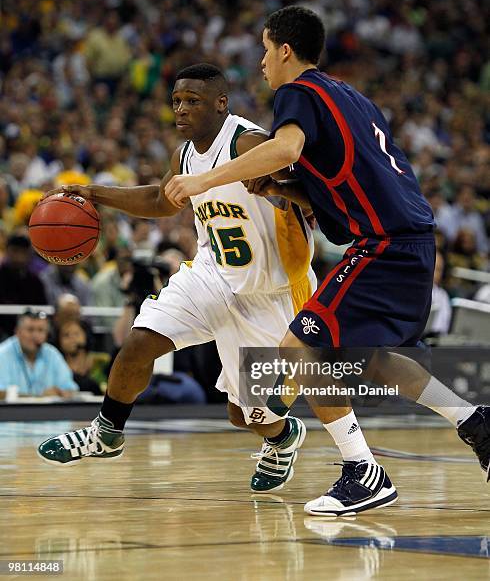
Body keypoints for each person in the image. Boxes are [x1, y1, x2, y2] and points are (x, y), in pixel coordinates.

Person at [164, 7, 490, 516]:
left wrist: (203, 179)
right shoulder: (351, 96)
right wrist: (283, 187)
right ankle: (475, 422)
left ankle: (364, 472)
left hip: (382, 244)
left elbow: (285, 145)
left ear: (286, 51)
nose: (262, 62)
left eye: (265, 50)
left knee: (299, 345)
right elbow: (340, 180)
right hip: (411, 241)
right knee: (373, 359)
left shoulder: (298, 92)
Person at [38, 63, 320, 491]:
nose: (182, 110)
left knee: (246, 415)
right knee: (139, 341)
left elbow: (308, 186)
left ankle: (283, 438)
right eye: (177, 102)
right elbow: (160, 199)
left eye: (193, 101)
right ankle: (106, 432)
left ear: (221, 103)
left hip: (270, 290)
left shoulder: (248, 142)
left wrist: (297, 200)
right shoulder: (185, 155)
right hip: (211, 273)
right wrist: (94, 192)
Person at [0, 310, 78, 398]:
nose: (35, 335)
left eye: (40, 330)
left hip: (48, 411)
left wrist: (61, 392)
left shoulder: (52, 354)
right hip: (11, 411)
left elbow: (72, 390)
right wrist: (39, 398)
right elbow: (1, 393)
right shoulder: (2, 354)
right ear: (17, 332)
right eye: (30, 330)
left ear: (47, 334)